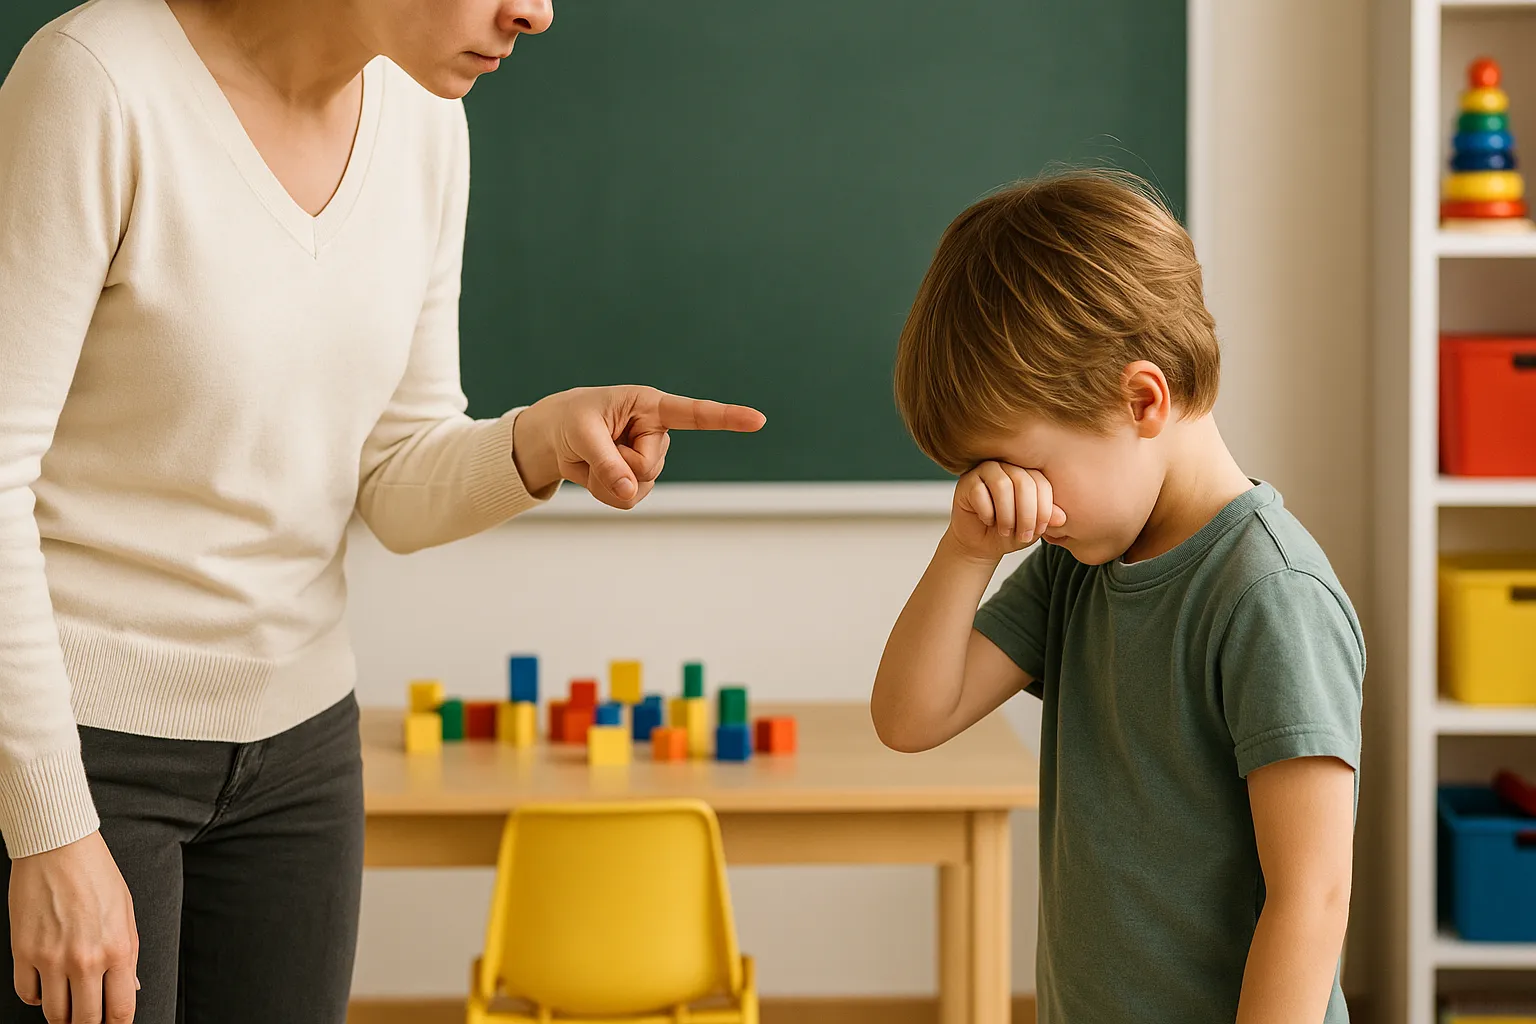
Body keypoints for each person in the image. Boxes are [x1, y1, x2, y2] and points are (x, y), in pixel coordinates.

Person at [0, 0, 765, 1021]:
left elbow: (395, 473)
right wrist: (49, 827)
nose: (534, 11)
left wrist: (537, 442)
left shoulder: (425, 123)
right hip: (87, 748)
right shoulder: (96, 80)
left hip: (301, 754)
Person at [871, 170, 1363, 1023]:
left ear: (1141, 399)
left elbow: (1311, 897)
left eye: (1020, 466)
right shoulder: (1082, 565)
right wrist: (966, 551)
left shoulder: (1269, 594)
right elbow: (911, 719)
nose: (1011, 497)